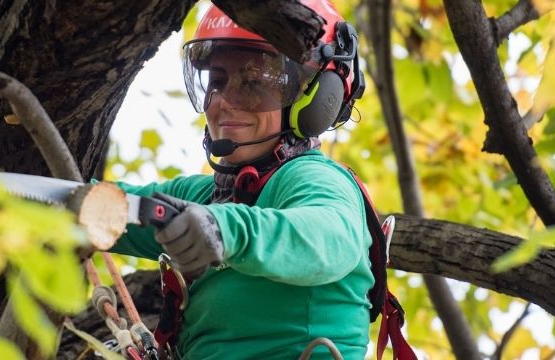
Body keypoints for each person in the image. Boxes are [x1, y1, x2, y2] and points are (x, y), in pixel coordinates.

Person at [109, 1, 372, 358]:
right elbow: (112, 207)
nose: (222, 102)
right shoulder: (204, 196)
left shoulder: (314, 178)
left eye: (253, 82)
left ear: (316, 99)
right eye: (216, 82)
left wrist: (223, 229)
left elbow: (329, 237)